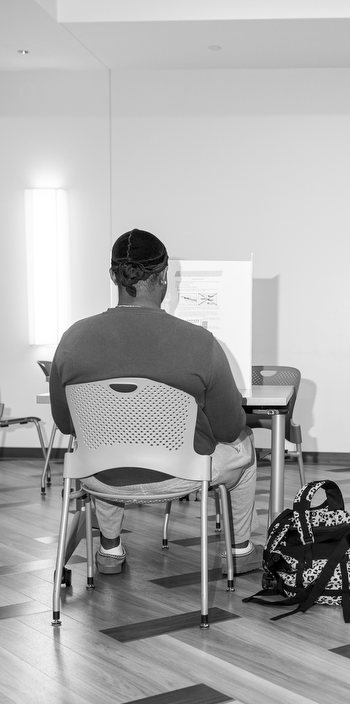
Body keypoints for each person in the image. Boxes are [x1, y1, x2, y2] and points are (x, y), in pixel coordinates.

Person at [49, 228, 259, 575]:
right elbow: (228, 427)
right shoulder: (200, 343)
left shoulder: (72, 340)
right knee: (245, 447)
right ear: (164, 277)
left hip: (101, 478)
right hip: (181, 475)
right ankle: (239, 550)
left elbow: (66, 424)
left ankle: (110, 551)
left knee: (98, 443)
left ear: (113, 275)